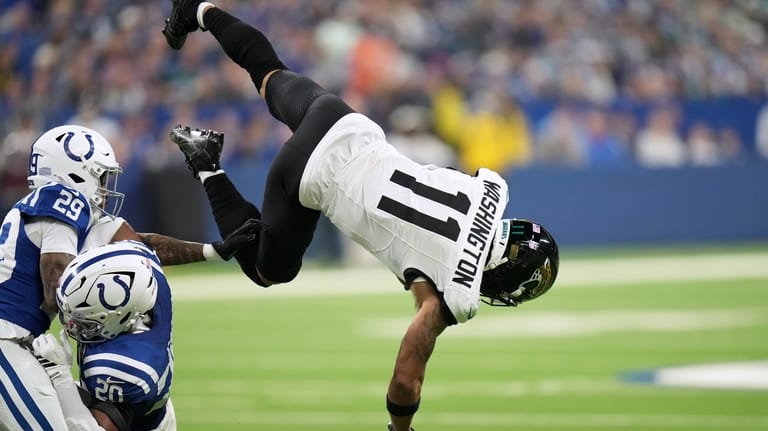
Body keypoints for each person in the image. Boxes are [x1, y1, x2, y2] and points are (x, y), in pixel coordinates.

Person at [162, 2, 559, 430]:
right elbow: (407, 375)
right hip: (312, 176)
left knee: (268, 72)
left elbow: (437, 195)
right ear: (506, 272)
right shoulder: (454, 295)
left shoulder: (490, 188)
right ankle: (207, 164)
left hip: (344, 123)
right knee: (266, 270)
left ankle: (201, 11)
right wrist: (399, 428)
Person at [0, 124, 258, 430]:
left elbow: (138, 247)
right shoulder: (60, 197)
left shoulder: (75, 217)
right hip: (8, 339)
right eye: (100, 176)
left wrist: (212, 250)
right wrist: (97, 312)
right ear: (73, 173)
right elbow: (56, 275)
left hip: (21, 341)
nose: (106, 188)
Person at [32, 240, 175, 431]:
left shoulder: (123, 367)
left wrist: (60, 376)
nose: (71, 325)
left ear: (118, 318)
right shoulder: (142, 268)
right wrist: (210, 251)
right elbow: (145, 243)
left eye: (85, 322)